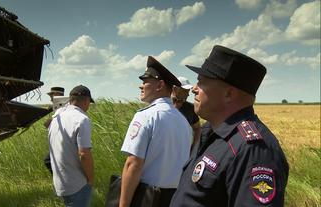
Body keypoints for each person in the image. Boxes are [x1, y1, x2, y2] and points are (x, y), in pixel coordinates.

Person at [170, 45, 289, 207]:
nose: (194, 89)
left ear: (229, 94)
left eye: (202, 82)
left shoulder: (254, 150)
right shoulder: (211, 131)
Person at [119, 56, 192, 207]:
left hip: (147, 198)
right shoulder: (183, 121)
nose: (141, 86)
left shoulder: (145, 116)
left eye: (145, 81)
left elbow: (133, 164)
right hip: (175, 198)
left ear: (159, 85)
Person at [48, 85, 95, 207]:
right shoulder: (82, 119)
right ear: (86, 100)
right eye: (89, 103)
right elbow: (84, 154)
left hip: (61, 181)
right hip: (77, 183)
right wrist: (90, 179)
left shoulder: (56, 117)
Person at [171, 76, 201, 149]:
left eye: (188, 91)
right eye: (185, 91)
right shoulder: (162, 106)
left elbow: (197, 129)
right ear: (175, 89)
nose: (188, 94)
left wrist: (194, 147)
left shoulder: (190, 108)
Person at [43, 87, 65, 174]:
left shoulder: (63, 108)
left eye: (51, 95)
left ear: (57, 95)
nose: (50, 98)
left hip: (63, 140)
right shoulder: (59, 107)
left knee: (48, 160)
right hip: (59, 141)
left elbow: (47, 124)